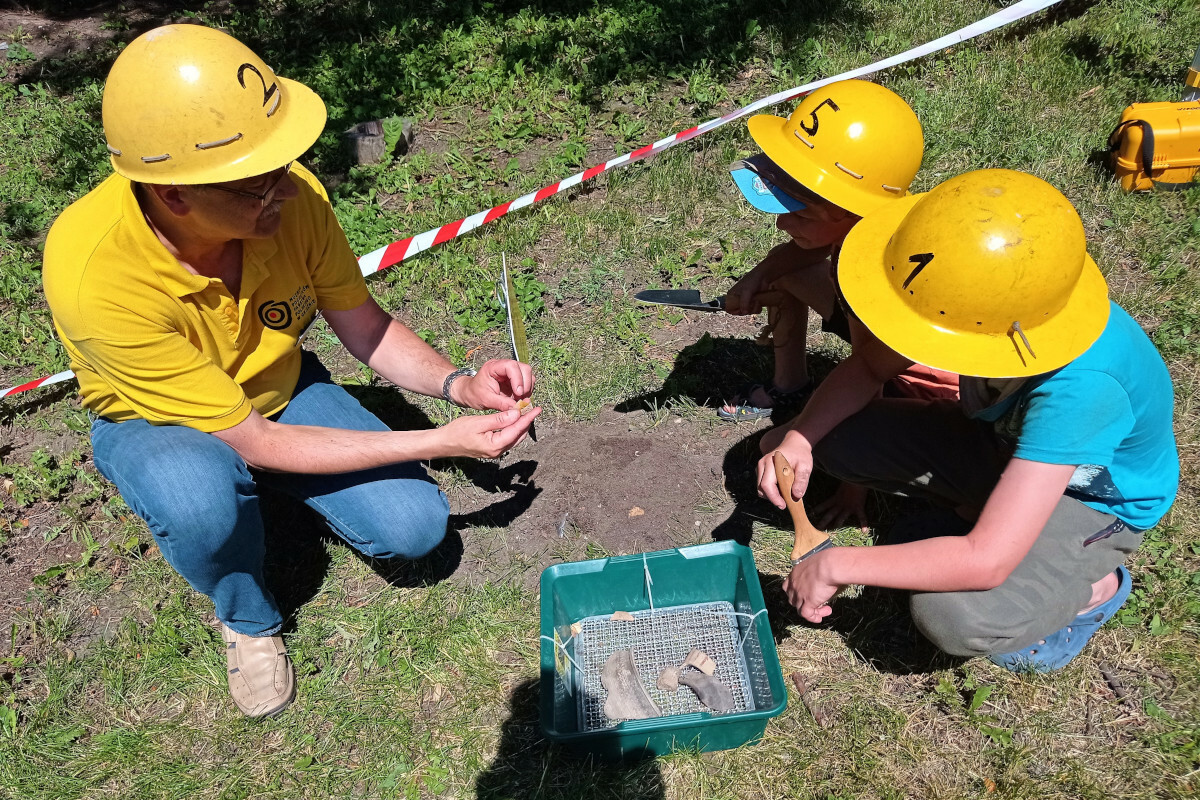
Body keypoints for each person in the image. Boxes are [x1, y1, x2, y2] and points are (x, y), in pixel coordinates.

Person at [42, 24, 538, 718]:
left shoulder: (292, 198)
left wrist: (459, 384)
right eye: (256, 181)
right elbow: (253, 438)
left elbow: (363, 324)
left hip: (277, 388)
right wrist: (437, 441)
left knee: (416, 530)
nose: (285, 186)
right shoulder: (95, 275)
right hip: (157, 420)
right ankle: (247, 617)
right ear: (174, 195)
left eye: (283, 162)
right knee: (199, 501)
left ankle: (274, 490)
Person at [758, 169, 1179, 672]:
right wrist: (800, 439)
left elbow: (986, 561)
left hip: (1091, 501)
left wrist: (837, 563)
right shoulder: (989, 303)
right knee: (832, 437)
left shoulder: (1083, 389)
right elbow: (871, 365)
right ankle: (982, 508)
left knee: (953, 615)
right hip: (1006, 449)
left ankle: (1094, 589)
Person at [720, 79, 958, 432]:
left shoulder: (867, 273)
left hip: (930, 389)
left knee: (837, 431)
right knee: (784, 266)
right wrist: (763, 273)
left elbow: (869, 374)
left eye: (801, 214)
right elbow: (797, 255)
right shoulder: (873, 221)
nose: (782, 223)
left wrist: (806, 439)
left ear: (851, 211)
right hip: (891, 354)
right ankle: (790, 386)